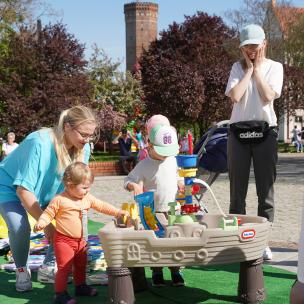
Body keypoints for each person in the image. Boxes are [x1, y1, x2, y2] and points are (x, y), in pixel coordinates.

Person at [0, 105, 97, 292]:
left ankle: (50, 266)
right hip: (9, 188)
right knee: (20, 227)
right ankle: (22, 269)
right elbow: (23, 191)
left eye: (91, 135)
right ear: (68, 127)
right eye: (84, 135)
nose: (88, 140)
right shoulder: (39, 142)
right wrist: (47, 224)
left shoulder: (82, 148)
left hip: (46, 192)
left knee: (71, 215)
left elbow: (76, 187)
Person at [225, 24, 284, 261]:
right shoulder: (236, 68)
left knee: (265, 192)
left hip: (265, 132)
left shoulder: (275, 67)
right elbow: (236, 96)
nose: (251, 50)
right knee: (237, 193)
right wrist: (248, 69)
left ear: (264, 44)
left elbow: (268, 96)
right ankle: (238, 242)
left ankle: (262, 242)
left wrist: (258, 70)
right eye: (246, 46)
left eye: (255, 45)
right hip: (238, 134)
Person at [34, 162, 128, 304]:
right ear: (70, 185)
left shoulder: (86, 198)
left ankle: (80, 286)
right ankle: (60, 294)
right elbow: (48, 214)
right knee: (64, 268)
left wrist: (118, 212)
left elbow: (101, 205)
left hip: (81, 241)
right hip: (64, 241)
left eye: (89, 187)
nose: (87, 191)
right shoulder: (60, 200)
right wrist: (42, 222)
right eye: (84, 188)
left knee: (80, 265)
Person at [124, 123, 185, 287]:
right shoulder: (144, 164)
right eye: (162, 152)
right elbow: (128, 180)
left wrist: (180, 183)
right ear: (150, 145)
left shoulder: (171, 159)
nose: (165, 156)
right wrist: (134, 186)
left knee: (174, 241)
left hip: (173, 209)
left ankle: (175, 271)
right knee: (157, 242)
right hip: (154, 211)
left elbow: (176, 173)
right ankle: (157, 271)